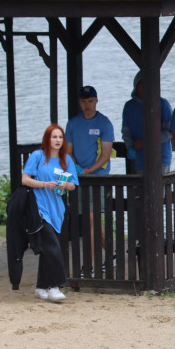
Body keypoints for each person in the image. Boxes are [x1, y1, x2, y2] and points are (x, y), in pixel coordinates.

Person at [21, 125, 79, 301]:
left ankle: (40, 287)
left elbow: (73, 184)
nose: (58, 140)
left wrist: (65, 185)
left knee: (48, 248)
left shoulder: (66, 160)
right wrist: (44, 184)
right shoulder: (38, 156)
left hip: (57, 209)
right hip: (39, 207)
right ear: (47, 139)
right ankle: (55, 286)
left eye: (60, 137)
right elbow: (25, 179)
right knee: (52, 246)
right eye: (54, 137)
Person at [65, 85, 114, 273]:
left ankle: (90, 264)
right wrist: (76, 168)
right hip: (79, 177)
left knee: (92, 218)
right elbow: (68, 152)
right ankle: (112, 253)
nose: (87, 104)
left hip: (98, 177)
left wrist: (88, 170)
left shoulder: (104, 123)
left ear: (96, 101)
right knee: (91, 220)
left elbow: (106, 154)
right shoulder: (73, 123)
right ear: (80, 102)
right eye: (84, 101)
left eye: (91, 101)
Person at [122, 71, 173, 173]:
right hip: (140, 157)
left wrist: (146, 142)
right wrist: (130, 146)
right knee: (143, 188)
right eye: (142, 84)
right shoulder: (129, 106)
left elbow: (170, 132)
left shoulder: (163, 104)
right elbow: (126, 132)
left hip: (161, 157)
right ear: (136, 86)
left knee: (160, 188)